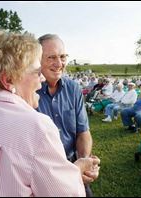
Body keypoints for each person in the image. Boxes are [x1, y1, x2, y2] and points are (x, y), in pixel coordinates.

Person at [0, 29, 99, 196]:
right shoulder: (36, 126)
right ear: (8, 80)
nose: (42, 79)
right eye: (37, 72)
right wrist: (79, 168)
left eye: (62, 57)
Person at [37, 34, 99, 197]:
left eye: (62, 56)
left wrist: (84, 163)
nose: (59, 64)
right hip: (42, 174)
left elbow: (83, 132)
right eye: (51, 57)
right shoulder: (28, 91)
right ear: (37, 60)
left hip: (73, 166)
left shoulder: (73, 88)